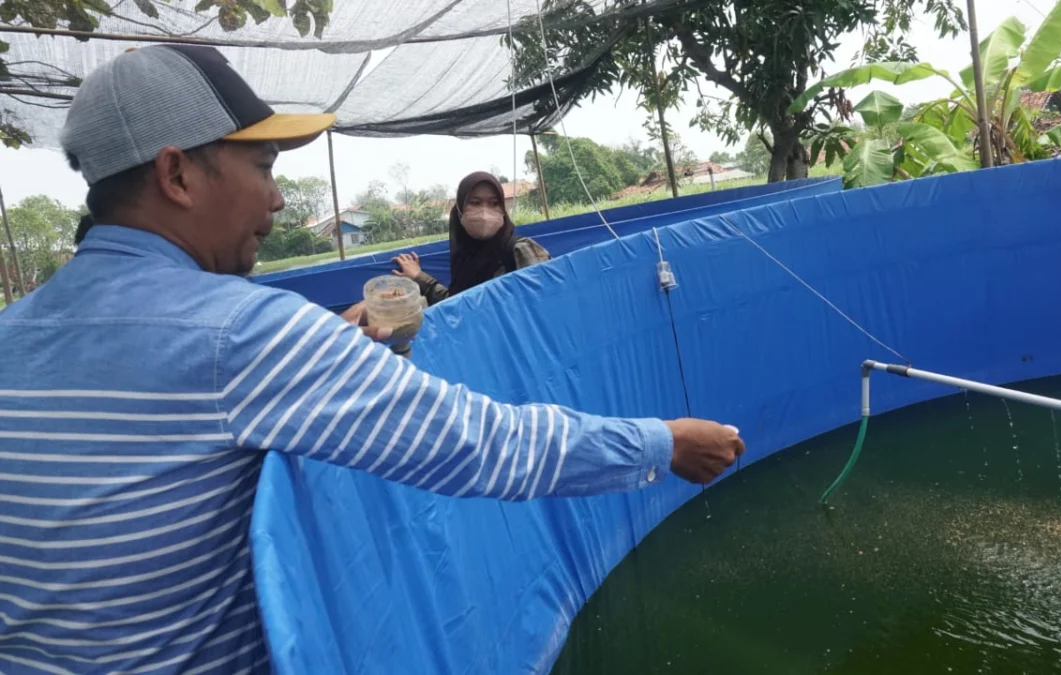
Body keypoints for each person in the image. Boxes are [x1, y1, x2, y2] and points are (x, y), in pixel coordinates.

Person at [0, 45, 744, 674]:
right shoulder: (244, 332)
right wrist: (662, 441)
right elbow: (477, 442)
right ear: (177, 175)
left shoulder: (12, 335)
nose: (279, 202)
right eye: (262, 165)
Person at [393, 171, 548, 306]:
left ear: (503, 209)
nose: (485, 211)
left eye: (494, 203)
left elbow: (549, 299)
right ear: (459, 210)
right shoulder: (464, 258)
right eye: (475, 202)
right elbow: (458, 304)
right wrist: (418, 277)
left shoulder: (520, 249)